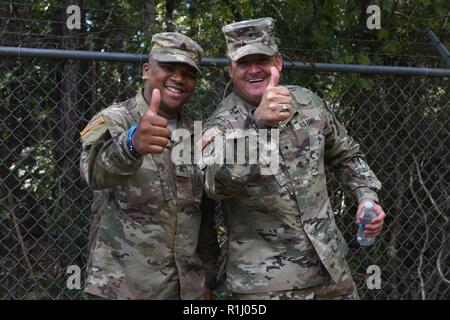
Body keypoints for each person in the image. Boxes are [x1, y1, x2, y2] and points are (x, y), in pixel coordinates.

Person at [198, 17, 386, 299]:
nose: (253, 70)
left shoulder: (308, 103)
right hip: (268, 286)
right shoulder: (219, 126)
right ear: (230, 69)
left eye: (262, 59)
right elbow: (217, 185)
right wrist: (258, 126)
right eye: (243, 63)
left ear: (279, 62)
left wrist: (367, 196)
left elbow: (346, 154)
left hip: (332, 271)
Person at [79, 32, 219, 299]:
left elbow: (203, 215)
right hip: (121, 290)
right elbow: (92, 173)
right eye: (168, 68)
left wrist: (207, 280)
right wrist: (131, 145)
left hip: (185, 291)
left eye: (188, 73)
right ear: (146, 70)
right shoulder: (115, 119)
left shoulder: (198, 136)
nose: (178, 78)